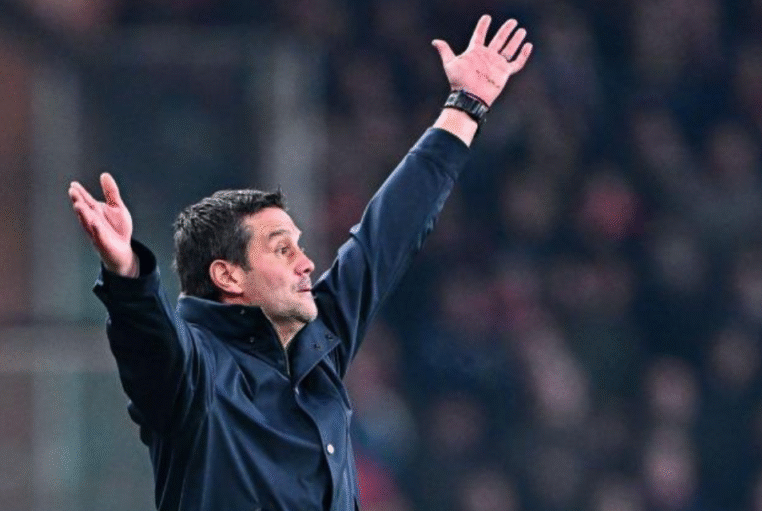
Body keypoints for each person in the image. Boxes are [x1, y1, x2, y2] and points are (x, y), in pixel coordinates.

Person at [68, 14, 532, 511]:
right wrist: (126, 273)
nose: (306, 263)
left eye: (300, 245)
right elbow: (148, 342)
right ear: (228, 275)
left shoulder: (317, 343)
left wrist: (464, 107)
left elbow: (386, 236)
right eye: (282, 249)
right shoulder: (193, 374)